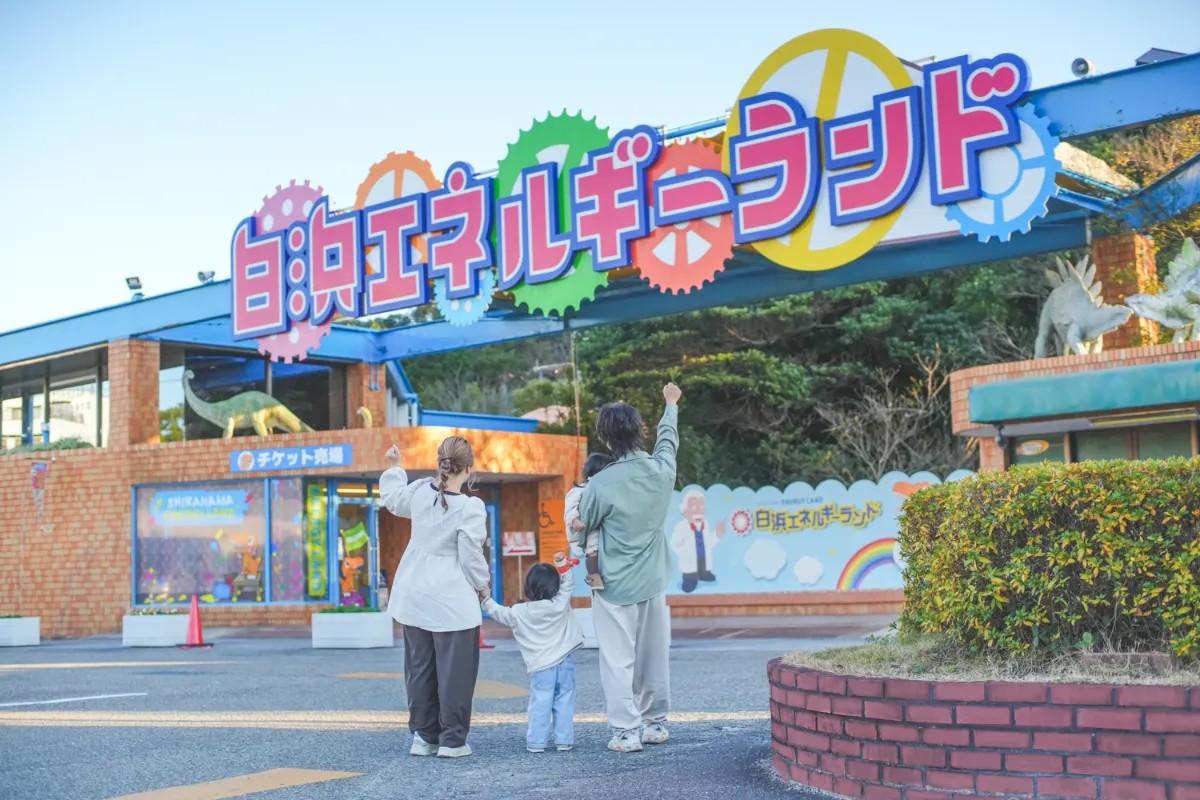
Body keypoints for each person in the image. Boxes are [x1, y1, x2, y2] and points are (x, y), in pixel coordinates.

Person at [579, 382, 681, 753]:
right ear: (640, 431)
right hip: (653, 578)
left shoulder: (600, 483)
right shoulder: (662, 470)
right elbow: (668, 442)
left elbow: (584, 528)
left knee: (617, 659)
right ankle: (655, 723)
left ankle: (626, 731)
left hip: (612, 584)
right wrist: (670, 404)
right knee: (653, 655)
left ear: (606, 439)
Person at [379, 436, 489, 759]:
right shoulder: (470, 507)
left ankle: (424, 738)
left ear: (440, 463)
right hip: (452, 600)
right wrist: (482, 585)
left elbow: (393, 500)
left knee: (419, 668)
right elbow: (470, 555)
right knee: (455, 673)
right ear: (468, 469)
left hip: (414, 593)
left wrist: (395, 467)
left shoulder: (419, 492)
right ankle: (452, 741)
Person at [481, 552, 583, 753]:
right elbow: (568, 584)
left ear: (527, 587)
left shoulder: (519, 612)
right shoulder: (560, 603)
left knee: (540, 702)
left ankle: (537, 742)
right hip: (564, 662)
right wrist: (562, 565)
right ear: (555, 587)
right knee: (564, 700)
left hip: (541, 666)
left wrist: (486, 599)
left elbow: (499, 613)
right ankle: (563, 740)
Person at [565, 453, 616, 589]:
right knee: (593, 544)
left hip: (598, 527)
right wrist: (574, 520)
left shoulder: (605, 490)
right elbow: (570, 508)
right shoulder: (580, 490)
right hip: (585, 529)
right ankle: (593, 575)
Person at [670, 489, 725, 593]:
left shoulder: (705, 524)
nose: (699, 511)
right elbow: (674, 543)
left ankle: (704, 574)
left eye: (701, 508)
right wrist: (684, 553)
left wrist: (717, 534)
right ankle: (690, 578)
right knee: (690, 575)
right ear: (685, 511)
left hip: (703, 556)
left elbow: (709, 542)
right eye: (694, 508)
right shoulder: (681, 527)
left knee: (704, 565)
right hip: (689, 560)